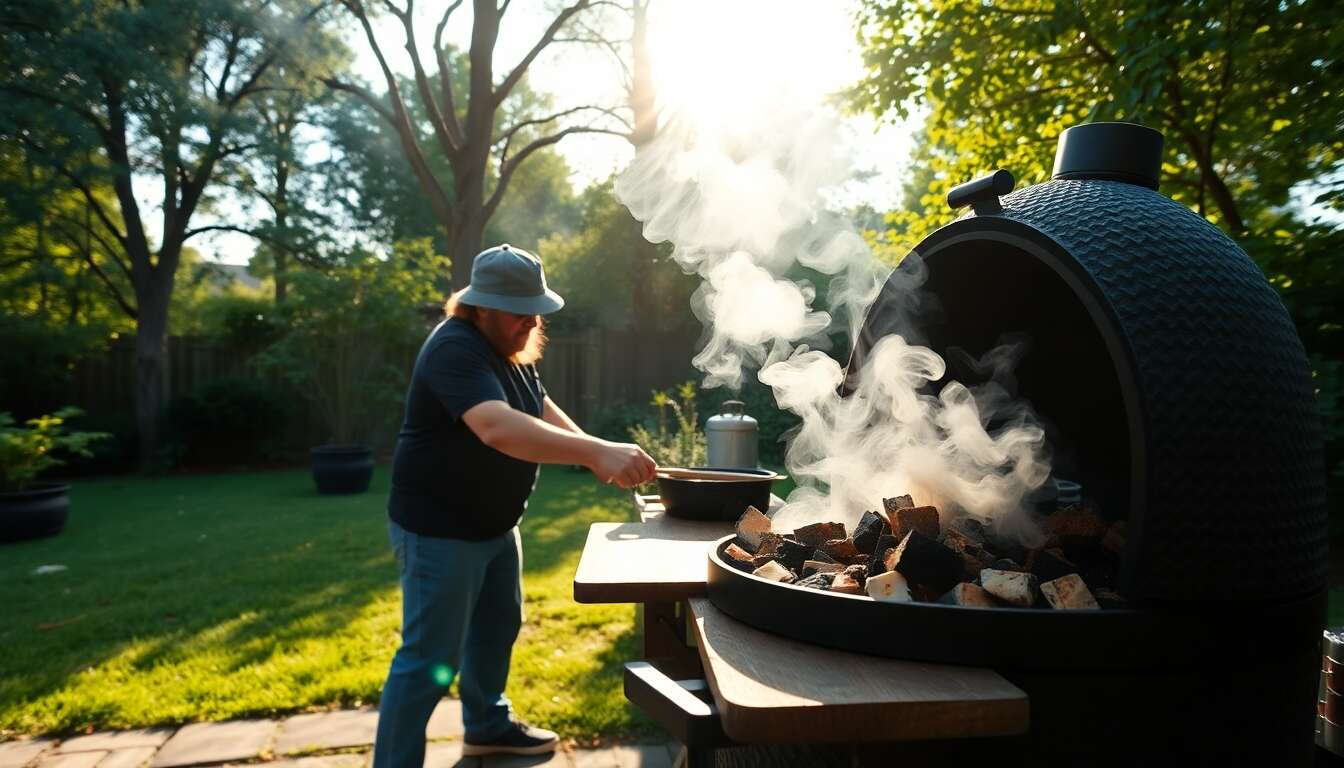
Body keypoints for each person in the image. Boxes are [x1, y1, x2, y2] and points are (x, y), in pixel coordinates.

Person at [372, 244, 657, 766]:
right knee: (428, 659)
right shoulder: (454, 348)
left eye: (534, 308)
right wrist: (597, 452)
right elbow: (498, 427)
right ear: (478, 306)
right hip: (438, 529)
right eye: (515, 308)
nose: (530, 320)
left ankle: (486, 726)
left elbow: (537, 405)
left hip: (496, 525)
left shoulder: (509, 348)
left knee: (497, 628)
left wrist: (593, 454)